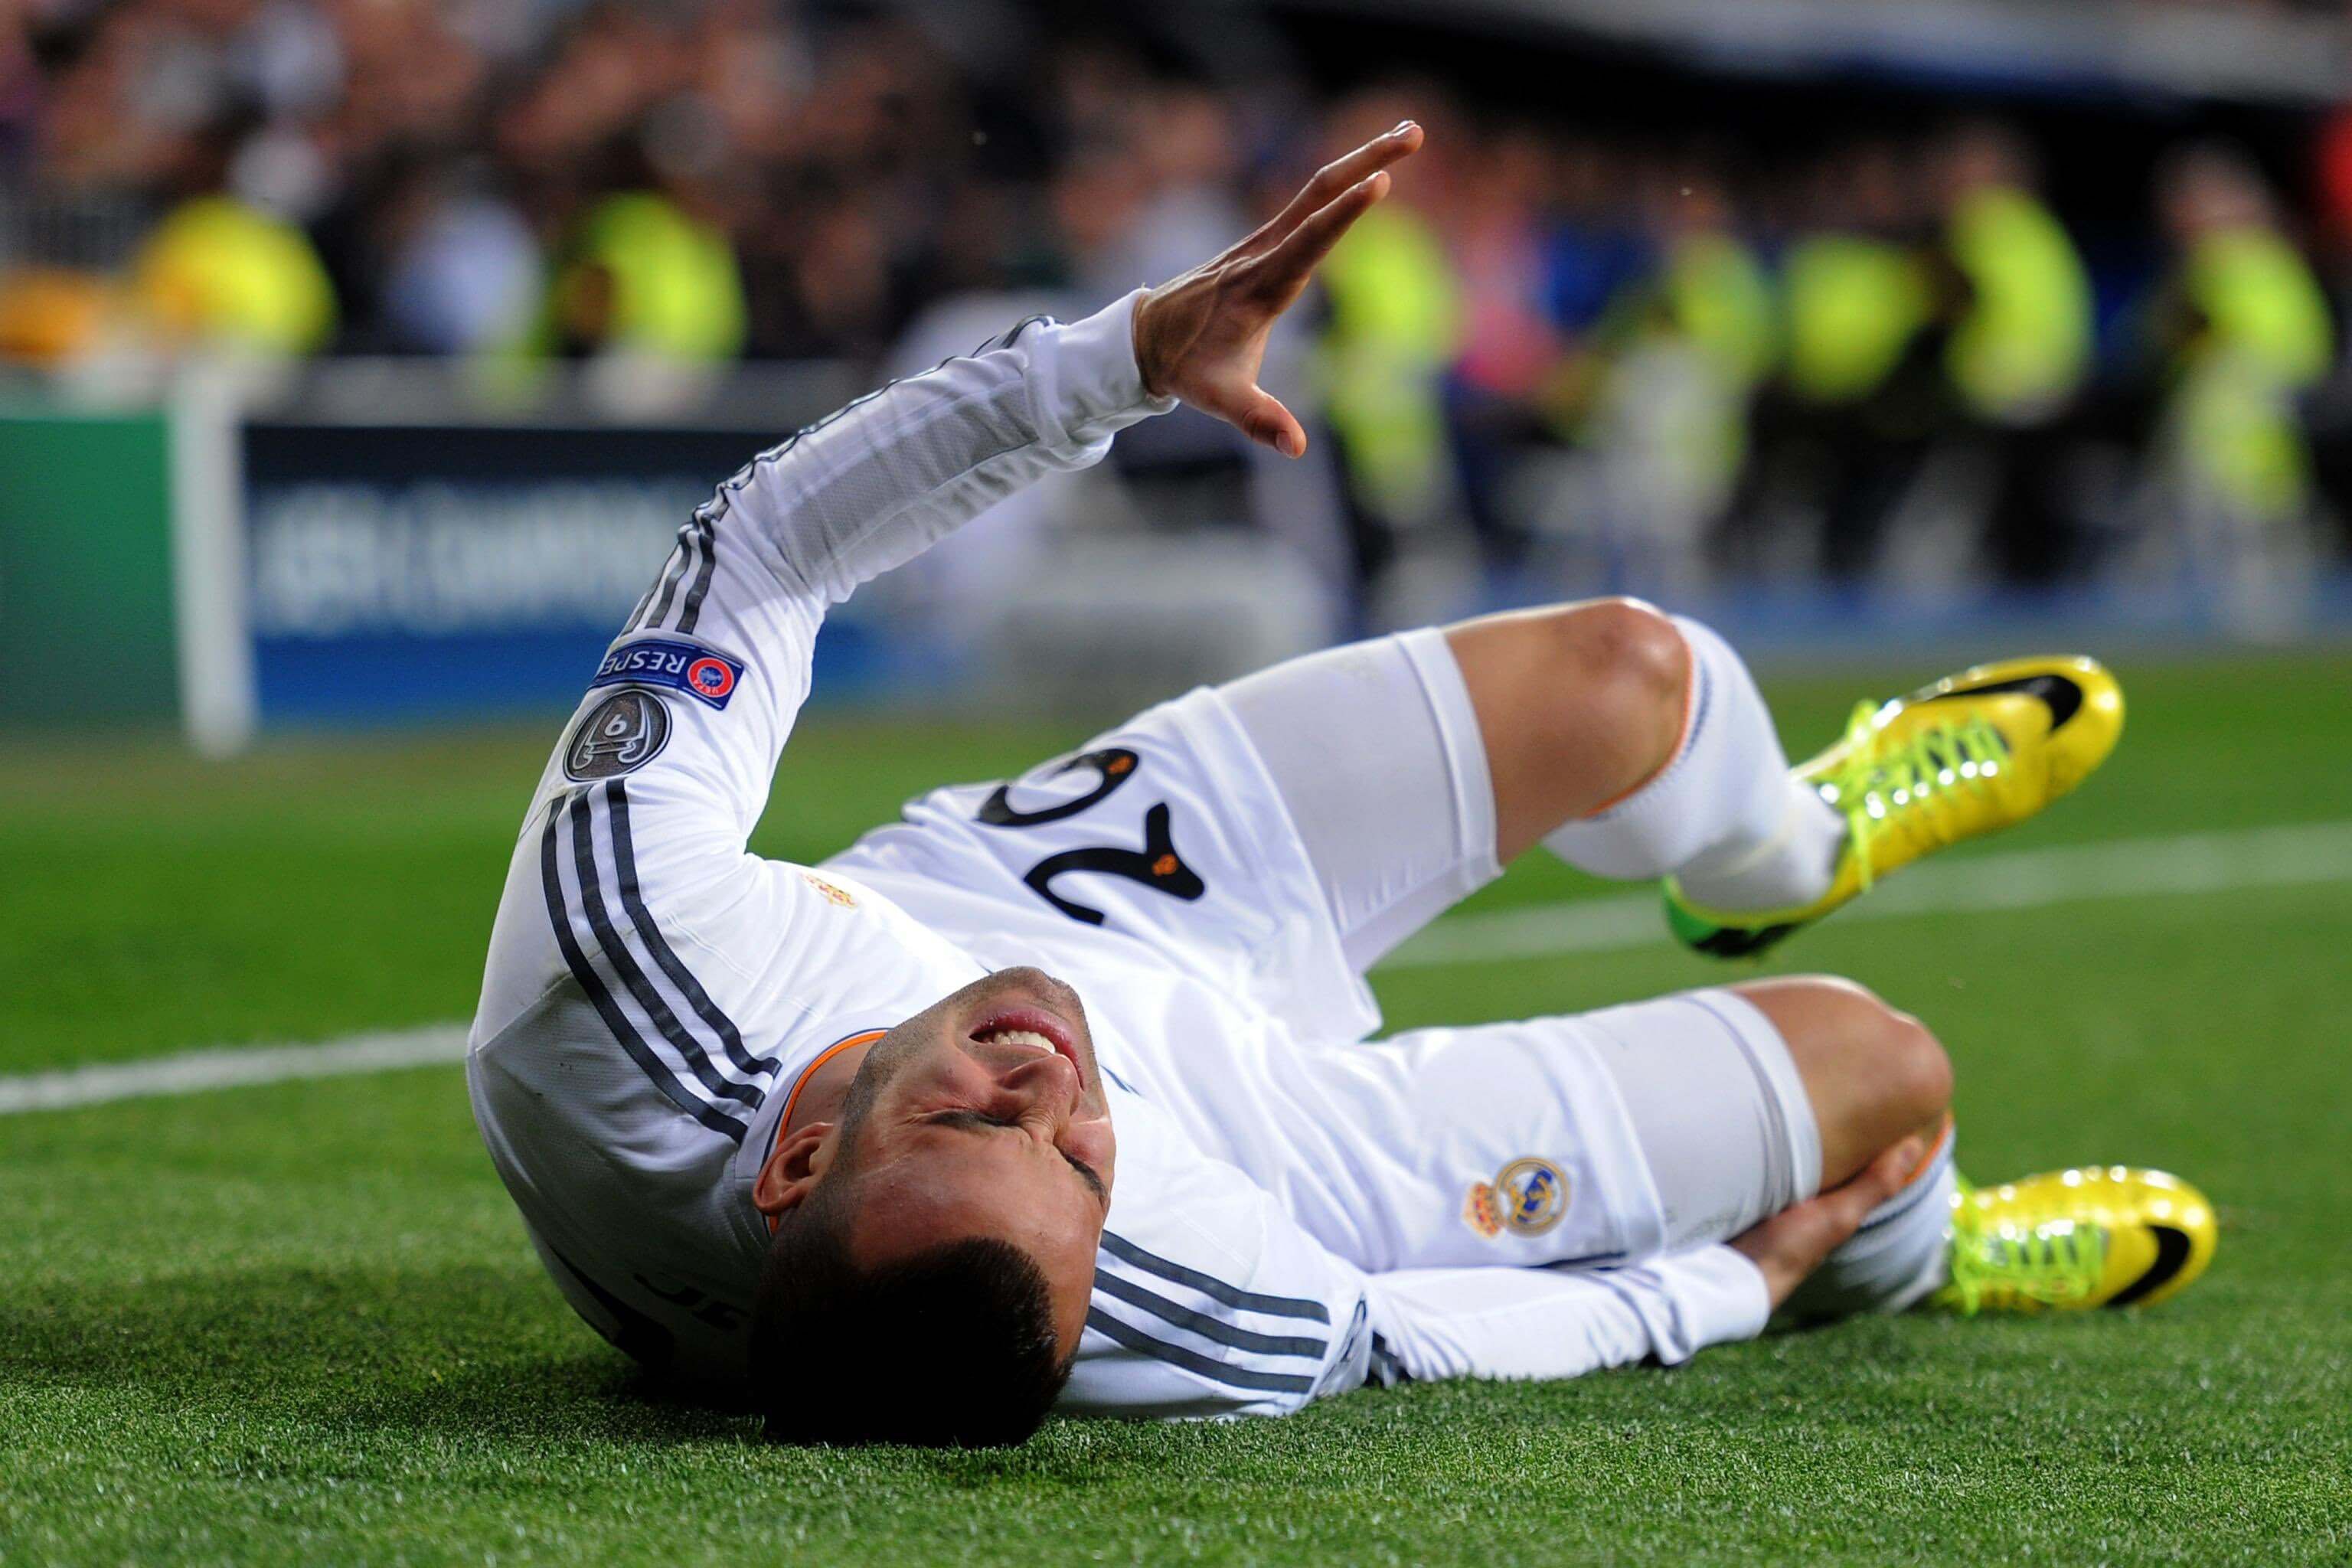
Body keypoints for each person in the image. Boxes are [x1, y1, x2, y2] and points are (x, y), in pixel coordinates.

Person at [466, 124, 2216, 1449]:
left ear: (792, 1157)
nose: (1049, 1086)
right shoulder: (1165, 1280)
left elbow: (764, 544)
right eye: (1069, 1160)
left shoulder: (621, 958)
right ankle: (1928, 1249)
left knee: (1631, 675)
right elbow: (1390, 1330)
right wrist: (1733, 1285)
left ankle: (1787, 843)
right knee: (1886, 1077)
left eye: (965, 1115)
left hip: (1012, 908)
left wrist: (1120, 362)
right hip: (1270, 1141)